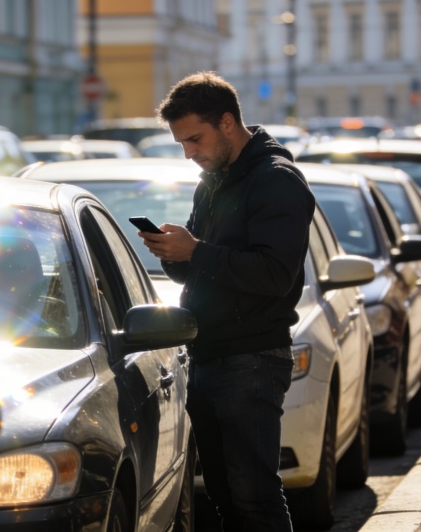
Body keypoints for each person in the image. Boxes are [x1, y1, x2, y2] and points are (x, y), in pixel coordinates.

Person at [136, 71, 315, 531]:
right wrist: (174, 254)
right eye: (181, 144)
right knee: (221, 495)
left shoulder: (277, 181)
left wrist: (195, 251)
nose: (189, 153)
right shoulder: (213, 181)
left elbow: (275, 275)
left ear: (229, 123)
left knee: (254, 496)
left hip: (252, 358)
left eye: (195, 139)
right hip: (209, 352)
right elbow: (210, 265)